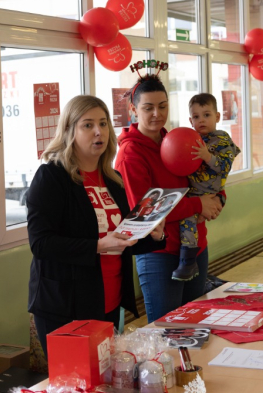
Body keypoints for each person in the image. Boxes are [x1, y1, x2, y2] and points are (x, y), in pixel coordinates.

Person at [26, 94, 166, 357]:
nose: (98, 132)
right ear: (70, 131)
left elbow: (121, 240)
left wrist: (153, 235)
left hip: (109, 299)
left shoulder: (112, 180)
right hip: (65, 305)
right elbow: (41, 243)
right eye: (87, 125)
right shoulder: (52, 176)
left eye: (103, 124)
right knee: (74, 387)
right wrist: (98, 246)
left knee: (104, 383)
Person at [115, 74, 223, 323]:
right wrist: (198, 205)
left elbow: (200, 176)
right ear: (133, 109)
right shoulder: (130, 153)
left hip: (196, 246)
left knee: (195, 326)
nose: (157, 113)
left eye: (162, 106)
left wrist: (216, 197)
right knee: (168, 331)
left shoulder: (175, 139)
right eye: (148, 107)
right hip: (159, 254)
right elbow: (145, 213)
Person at [172, 93, 241, 281]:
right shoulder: (191, 138)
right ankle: (188, 261)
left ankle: (188, 261)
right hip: (194, 192)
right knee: (187, 222)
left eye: (206, 115)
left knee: (188, 219)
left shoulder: (222, 138)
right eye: (196, 117)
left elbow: (225, 167)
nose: (201, 120)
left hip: (210, 191)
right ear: (190, 120)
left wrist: (207, 156)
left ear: (217, 117)